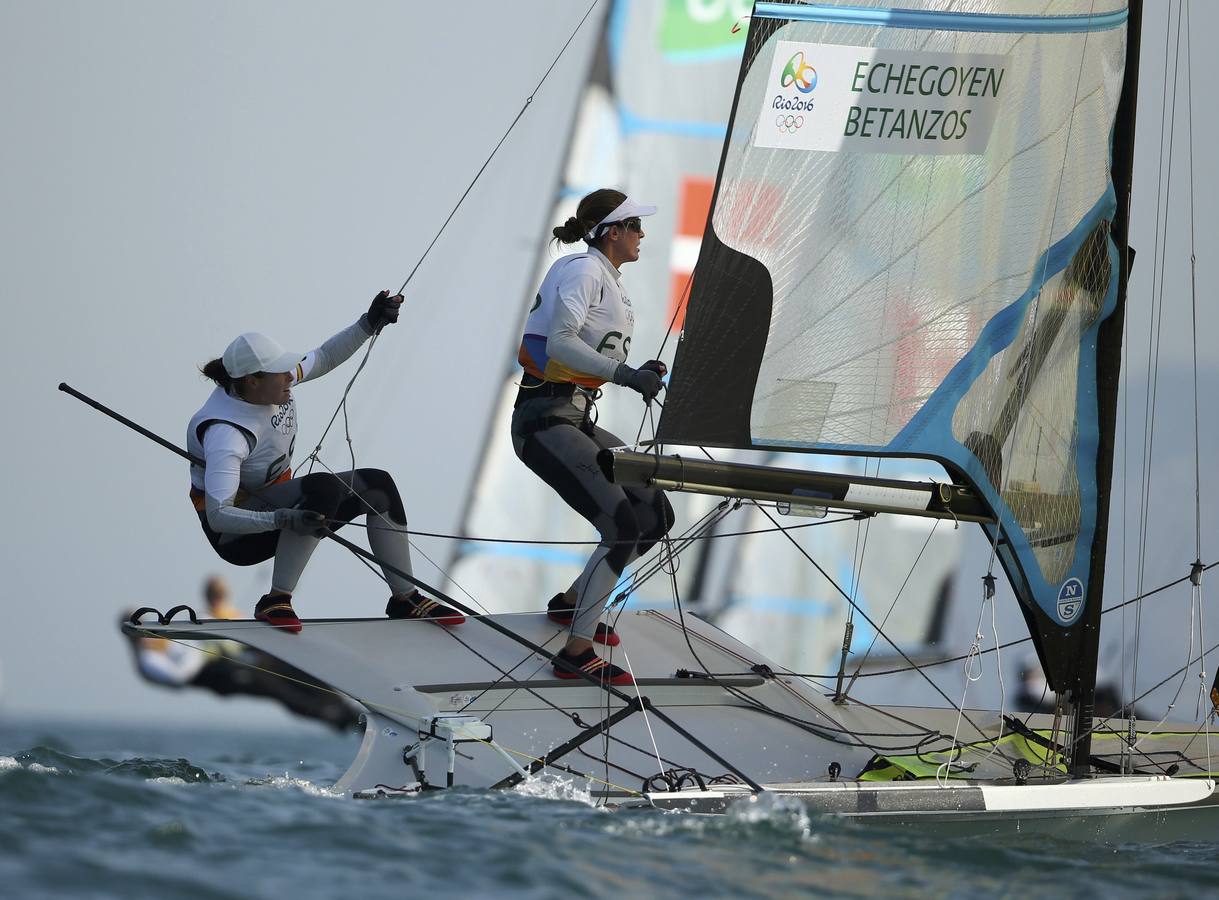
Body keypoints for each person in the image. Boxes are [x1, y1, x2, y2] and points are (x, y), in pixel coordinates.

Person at [187, 290, 463, 633]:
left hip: (284, 505)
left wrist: (369, 323)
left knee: (378, 485)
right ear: (253, 380)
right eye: (281, 374)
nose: (291, 377)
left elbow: (325, 356)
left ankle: (406, 599)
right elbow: (219, 517)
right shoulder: (226, 434)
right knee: (323, 487)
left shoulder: (273, 382)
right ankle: (276, 600)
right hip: (238, 537)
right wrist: (282, 519)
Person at [513, 189, 674, 685]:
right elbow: (558, 342)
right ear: (612, 231)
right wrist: (627, 376)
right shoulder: (583, 270)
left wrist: (639, 371)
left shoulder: (607, 279)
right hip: (543, 419)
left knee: (654, 512)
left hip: (576, 417)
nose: (643, 235)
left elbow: (585, 350)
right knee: (620, 523)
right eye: (635, 226)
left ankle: (569, 605)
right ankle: (575, 654)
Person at [120, 577, 360, 731]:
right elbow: (181, 675)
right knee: (275, 688)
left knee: (288, 667)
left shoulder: (164, 645)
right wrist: (204, 645)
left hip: (234, 662)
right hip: (222, 676)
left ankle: (346, 708)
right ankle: (337, 718)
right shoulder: (147, 661)